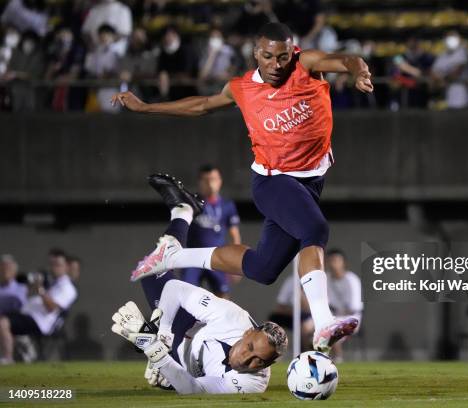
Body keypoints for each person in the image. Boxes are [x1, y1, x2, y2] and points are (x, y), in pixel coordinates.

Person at [112, 22, 372, 352]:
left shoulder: (305, 65)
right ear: (255, 53)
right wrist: (147, 107)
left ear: (293, 52)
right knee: (315, 229)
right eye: (268, 56)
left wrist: (360, 72)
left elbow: (348, 60)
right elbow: (201, 105)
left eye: (282, 56)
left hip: (309, 184)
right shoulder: (242, 88)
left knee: (263, 269)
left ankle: (175, 254)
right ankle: (323, 323)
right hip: (273, 181)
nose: (276, 65)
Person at [112, 215, 287, 394]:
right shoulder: (231, 317)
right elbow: (175, 289)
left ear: (269, 364)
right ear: (248, 332)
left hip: (186, 370)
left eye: (259, 361)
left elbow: (195, 389)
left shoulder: (253, 384)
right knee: (151, 267)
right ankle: (183, 212)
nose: (245, 359)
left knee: (176, 377)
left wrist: (154, 351)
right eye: (249, 347)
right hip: (182, 332)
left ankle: (167, 367)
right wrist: (162, 337)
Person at [0, 249, 78, 364]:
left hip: (40, 322)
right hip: (27, 316)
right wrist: (33, 287)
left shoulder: (67, 287)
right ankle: (23, 351)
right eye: (52, 264)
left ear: (66, 266)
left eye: (57, 265)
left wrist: (40, 290)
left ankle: (8, 358)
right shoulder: (53, 283)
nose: (53, 268)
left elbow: (51, 308)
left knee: (3, 322)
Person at [182, 165, 241, 298]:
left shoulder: (227, 205)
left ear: (220, 181)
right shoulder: (191, 202)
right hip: (193, 257)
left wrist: (235, 265)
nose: (210, 183)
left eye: (213, 179)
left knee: (222, 296)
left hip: (216, 257)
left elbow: (235, 236)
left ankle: (223, 319)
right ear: (199, 182)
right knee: (187, 293)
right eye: (205, 180)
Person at [431, 31, 468, 109]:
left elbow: (457, 71)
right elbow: (434, 73)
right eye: (449, 38)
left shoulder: (461, 52)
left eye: (453, 38)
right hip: (447, 91)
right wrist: (440, 79)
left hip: (461, 90)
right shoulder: (442, 56)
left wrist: (442, 78)